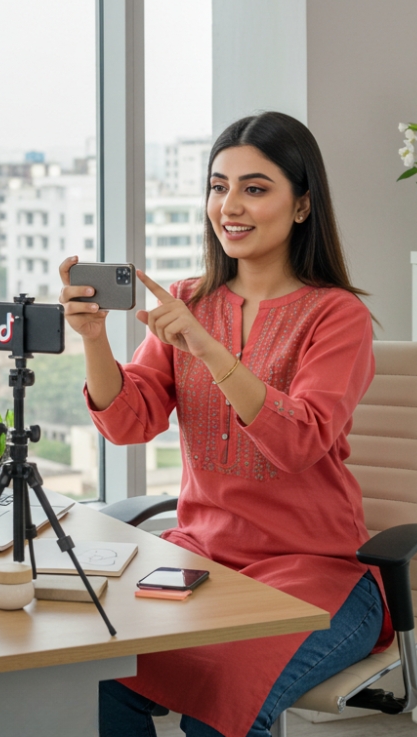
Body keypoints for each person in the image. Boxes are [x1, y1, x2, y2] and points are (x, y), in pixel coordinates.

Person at [63, 112, 391, 737]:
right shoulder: (189, 300)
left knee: (223, 705)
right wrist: (95, 339)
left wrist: (209, 350)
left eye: (255, 188)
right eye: (218, 186)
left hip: (316, 569)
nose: (229, 206)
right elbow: (128, 422)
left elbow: (299, 442)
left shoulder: (338, 316)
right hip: (203, 557)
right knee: (98, 672)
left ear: (301, 206)